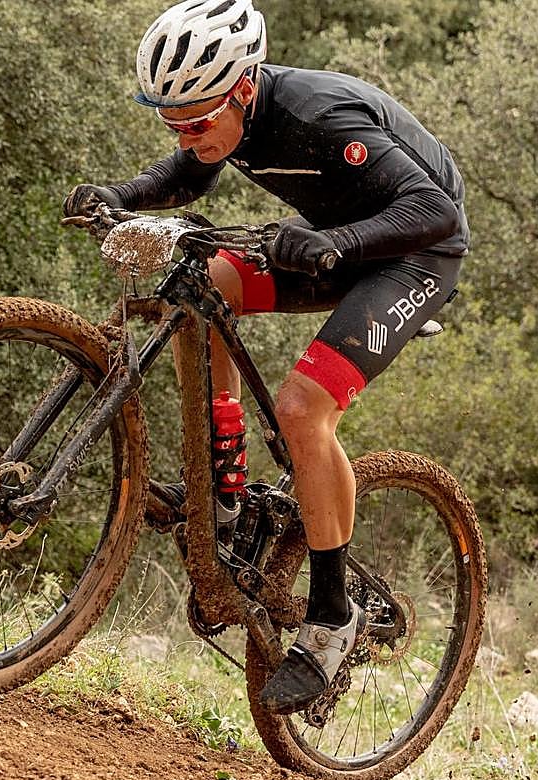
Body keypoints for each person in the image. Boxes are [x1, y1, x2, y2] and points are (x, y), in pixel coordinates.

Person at [64, 0, 469, 714]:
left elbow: (437, 211)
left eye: (197, 122)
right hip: (330, 239)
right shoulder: (226, 116)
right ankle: (223, 485)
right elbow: (190, 173)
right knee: (205, 284)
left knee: (301, 409)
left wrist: (338, 242)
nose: (186, 135)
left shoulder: (320, 117)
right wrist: (119, 196)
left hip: (415, 253)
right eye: (172, 122)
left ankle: (333, 617)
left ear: (244, 89)